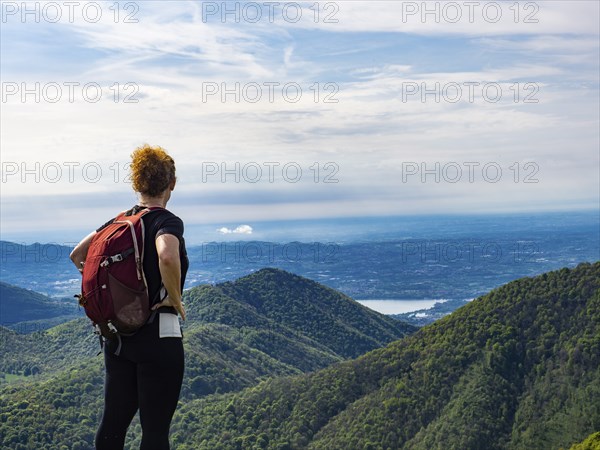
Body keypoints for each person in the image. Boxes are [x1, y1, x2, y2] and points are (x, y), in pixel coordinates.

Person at [70, 144, 188, 450]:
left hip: (118, 337)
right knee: (155, 433)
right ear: (171, 184)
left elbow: (77, 255)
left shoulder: (118, 221)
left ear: (137, 184)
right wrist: (175, 298)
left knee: (112, 424)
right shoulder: (166, 220)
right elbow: (167, 256)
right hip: (158, 337)